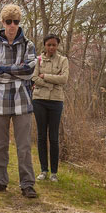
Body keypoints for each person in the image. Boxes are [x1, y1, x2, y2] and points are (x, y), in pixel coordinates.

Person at [0, 4, 38, 198]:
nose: (12, 25)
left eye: (16, 22)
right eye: (9, 22)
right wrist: (16, 70)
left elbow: (29, 71)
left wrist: (5, 69)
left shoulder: (28, 45)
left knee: (23, 146)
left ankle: (27, 184)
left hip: (22, 101)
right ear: (3, 22)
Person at [31, 34, 68, 182]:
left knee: (53, 137)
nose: (51, 47)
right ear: (45, 45)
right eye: (49, 45)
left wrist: (45, 76)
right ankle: (43, 170)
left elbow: (64, 79)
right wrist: (51, 82)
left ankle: (54, 172)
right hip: (39, 100)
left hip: (56, 101)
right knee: (41, 136)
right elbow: (33, 78)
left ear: (57, 46)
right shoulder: (38, 60)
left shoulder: (63, 60)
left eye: (54, 45)